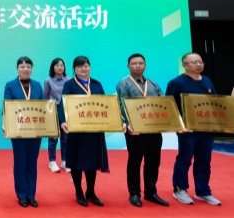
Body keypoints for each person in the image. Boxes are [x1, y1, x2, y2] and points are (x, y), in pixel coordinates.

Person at [116, 53, 169, 208]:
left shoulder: (153, 84)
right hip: (135, 130)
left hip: (153, 128)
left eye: (141, 63)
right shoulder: (124, 84)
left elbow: (163, 103)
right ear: (128, 66)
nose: (138, 66)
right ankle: (134, 193)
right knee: (135, 161)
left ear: (145, 65)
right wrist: (128, 124)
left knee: (153, 161)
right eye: (134, 63)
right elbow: (121, 105)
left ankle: (151, 192)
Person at [168, 52, 220, 206]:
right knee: (184, 159)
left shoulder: (207, 81)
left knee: (204, 160)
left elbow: (215, 103)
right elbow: (170, 106)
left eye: (200, 61)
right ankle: (179, 189)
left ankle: (203, 190)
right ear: (184, 65)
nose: (198, 64)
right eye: (194, 62)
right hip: (187, 130)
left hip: (206, 129)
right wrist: (179, 126)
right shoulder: (176, 83)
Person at [58, 56, 109, 207]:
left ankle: (91, 192)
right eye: (80, 66)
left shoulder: (97, 84)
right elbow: (63, 104)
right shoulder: (69, 84)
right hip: (76, 130)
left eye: (86, 66)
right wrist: (62, 121)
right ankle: (79, 191)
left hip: (94, 129)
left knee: (93, 161)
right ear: (74, 69)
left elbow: (106, 104)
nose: (83, 69)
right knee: (76, 161)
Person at [4, 57, 44, 208]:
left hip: (35, 130)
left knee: (32, 162)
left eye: (28, 67)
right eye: (22, 67)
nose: (25, 69)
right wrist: (6, 123)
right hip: (18, 130)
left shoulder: (37, 85)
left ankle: (31, 195)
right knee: (21, 161)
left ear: (31, 69)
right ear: (17, 69)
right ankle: (22, 194)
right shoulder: (10, 85)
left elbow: (43, 107)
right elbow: (7, 106)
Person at [44, 58, 70, 173]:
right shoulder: (48, 81)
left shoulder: (69, 80)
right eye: (57, 65)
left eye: (61, 65)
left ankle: (65, 161)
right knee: (53, 137)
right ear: (53, 67)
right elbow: (45, 97)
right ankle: (52, 161)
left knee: (66, 138)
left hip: (66, 110)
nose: (60, 67)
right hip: (53, 109)